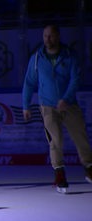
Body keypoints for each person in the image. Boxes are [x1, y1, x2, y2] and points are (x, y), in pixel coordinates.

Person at [22, 24, 92, 194]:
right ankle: (59, 173)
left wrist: (66, 99)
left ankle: (89, 167)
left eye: (51, 36)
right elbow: (29, 82)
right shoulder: (37, 58)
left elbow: (75, 79)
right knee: (55, 140)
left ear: (58, 36)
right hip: (47, 106)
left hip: (69, 105)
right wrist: (26, 105)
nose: (48, 39)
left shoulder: (69, 55)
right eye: (45, 35)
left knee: (80, 137)